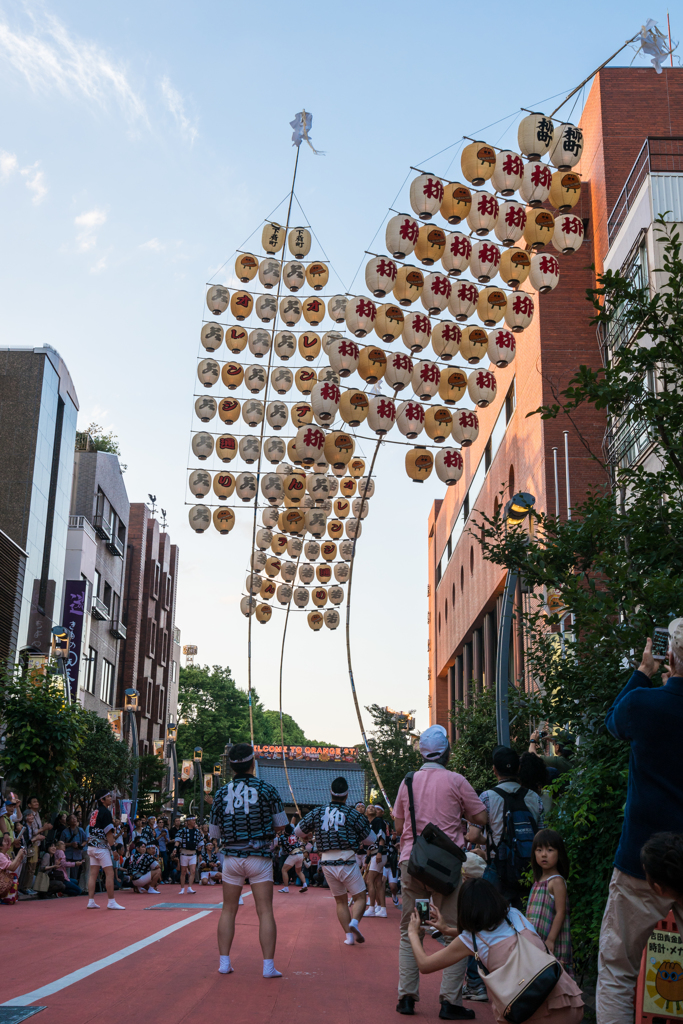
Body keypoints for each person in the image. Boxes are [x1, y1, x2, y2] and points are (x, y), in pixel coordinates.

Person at [597, 625, 683, 1024]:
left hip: (641, 859)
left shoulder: (644, 705)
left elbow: (612, 722)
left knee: (618, 967)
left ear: (671, 656)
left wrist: (642, 672)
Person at [392, 723, 487, 1019]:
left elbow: (398, 826)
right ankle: (450, 1001)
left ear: (422, 753)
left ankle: (407, 997)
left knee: (412, 928)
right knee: (454, 930)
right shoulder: (457, 780)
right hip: (446, 871)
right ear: (446, 752)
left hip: (413, 865)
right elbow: (481, 815)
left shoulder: (407, 782)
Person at [408, 878, 583, 1024]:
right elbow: (493, 935)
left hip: (531, 1012)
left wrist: (413, 934)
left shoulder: (470, 939)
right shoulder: (515, 915)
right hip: (569, 1000)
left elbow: (425, 965)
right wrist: (446, 929)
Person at [209, 742, 289, 978]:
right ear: (253, 762)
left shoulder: (222, 792)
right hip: (259, 856)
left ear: (231, 766)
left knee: (228, 910)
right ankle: (268, 967)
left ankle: (224, 963)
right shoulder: (267, 788)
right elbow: (281, 824)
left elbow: (214, 832)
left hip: (232, 857)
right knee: (265, 911)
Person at [296, 776, 374, 945]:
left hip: (326, 862)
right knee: (360, 897)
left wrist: (309, 834)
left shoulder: (318, 811)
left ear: (330, 793)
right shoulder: (353, 814)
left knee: (340, 901)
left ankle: (349, 937)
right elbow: (370, 839)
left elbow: (298, 831)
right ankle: (355, 923)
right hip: (346, 859)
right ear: (347, 795)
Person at [476, 746, 543, 910]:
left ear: (494, 770)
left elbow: (472, 836)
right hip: (529, 865)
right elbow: (542, 833)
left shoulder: (486, 797)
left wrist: (490, 841)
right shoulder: (534, 797)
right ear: (518, 768)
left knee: (493, 917)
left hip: (497, 865)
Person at [527, 829, 573, 975]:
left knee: (553, 977)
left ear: (559, 854)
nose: (544, 854)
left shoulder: (556, 882)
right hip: (537, 941)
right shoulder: (538, 881)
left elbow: (561, 912)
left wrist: (551, 939)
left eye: (550, 850)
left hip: (551, 941)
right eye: (539, 850)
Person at [86, 790, 125, 909]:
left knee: (93, 874)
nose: (110, 798)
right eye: (107, 797)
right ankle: (111, 901)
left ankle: (91, 901)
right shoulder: (106, 813)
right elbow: (108, 834)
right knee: (109, 873)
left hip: (91, 846)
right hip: (101, 847)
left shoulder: (94, 812)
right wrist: (113, 850)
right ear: (102, 800)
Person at [365, 805, 389, 918]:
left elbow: (381, 837)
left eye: (373, 808)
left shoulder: (378, 821)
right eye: (369, 807)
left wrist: (379, 851)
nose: (371, 808)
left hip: (379, 853)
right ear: (366, 813)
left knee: (370, 881)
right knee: (378, 883)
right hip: (375, 854)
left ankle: (371, 908)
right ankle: (382, 908)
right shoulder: (369, 824)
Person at [175, 813, 202, 894]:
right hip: (184, 853)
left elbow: (200, 843)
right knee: (183, 871)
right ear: (189, 821)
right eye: (193, 820)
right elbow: (178, 840)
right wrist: (175, 848)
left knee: (193, 871)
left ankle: (190, 887)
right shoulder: (182, 831)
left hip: (193, 854)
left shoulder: (197, 832)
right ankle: (182, 888)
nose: (194, 822)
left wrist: (200, 854)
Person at [0, 830, 26, 904]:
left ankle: (4, 897)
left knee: (14, 876)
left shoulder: (5, 855)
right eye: (5, 842)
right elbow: (11, 867)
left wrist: (20, 858)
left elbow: (13, 868)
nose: (8, 842)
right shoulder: (0, 855)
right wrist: (18, 854)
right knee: (13, 878)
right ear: (0, 846)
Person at [62, 813, 87, 882]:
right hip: (67, 855)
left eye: (75, 818)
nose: (74, 819)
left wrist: (81, 845)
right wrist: (70, 844)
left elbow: (85, 840)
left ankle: (73, 888)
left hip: (77, 855)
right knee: (66, 875)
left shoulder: (80, 830)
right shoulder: (65, 832)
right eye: (72, 818)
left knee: (75, 875)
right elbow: (61, 843)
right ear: (68, 822)